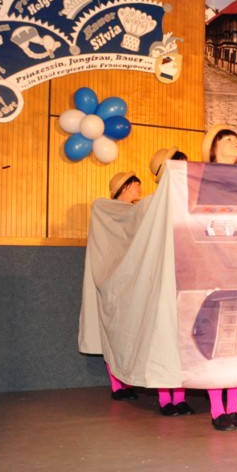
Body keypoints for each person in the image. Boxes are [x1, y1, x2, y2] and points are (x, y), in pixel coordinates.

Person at [199, 125, 237, 431]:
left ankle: (233, 408)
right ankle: (217, 409)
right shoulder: (202, 180)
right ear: (214, 148)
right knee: (215, 338)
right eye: (228, 140)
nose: (236, 143)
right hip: (213, 265)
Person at [145, 150, 195, 417]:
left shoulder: (189, 201)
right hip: (161, 280)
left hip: (185, 277)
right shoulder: (151, 204)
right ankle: (165, 398)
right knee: (164, 337)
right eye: (177, 163)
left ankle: (181, 395)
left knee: (183, 338)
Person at [103, 171, 142, 402]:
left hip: (131, 279)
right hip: (113, 278)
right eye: (136, 185)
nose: (140, 190)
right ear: (126, 187)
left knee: (128, 330)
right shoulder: (106, 210)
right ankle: (117, 384)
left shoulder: (136, 213)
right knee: (113, 330)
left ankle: (125, 380)